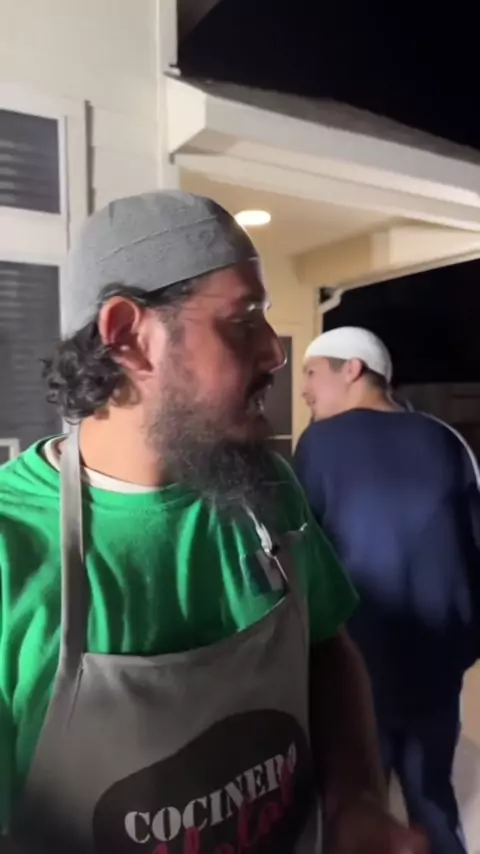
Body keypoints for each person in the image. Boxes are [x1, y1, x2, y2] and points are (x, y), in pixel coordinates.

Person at [0, 194, 426, 854]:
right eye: (243, 320)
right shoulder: (12, 552)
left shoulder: (266, 489)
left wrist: (356, 798)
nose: (275, 351)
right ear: (128, 335)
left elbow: (326, 647)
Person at [294, 325, 480, 854]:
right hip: (438, 665)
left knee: (357, 807)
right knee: (432, 797)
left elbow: (300, 555)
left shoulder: (321, 443)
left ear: (352, 370)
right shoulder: (447, 440)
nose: (304, 390)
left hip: (355, 665)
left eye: (312, 373)